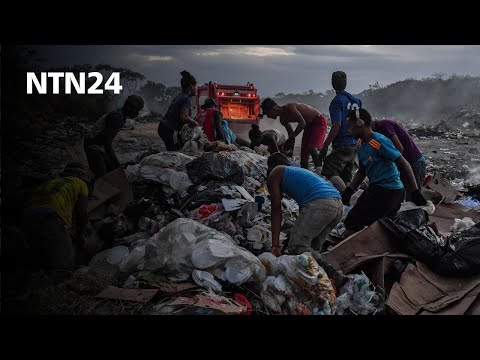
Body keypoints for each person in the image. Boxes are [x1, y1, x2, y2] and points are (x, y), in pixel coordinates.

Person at [342, 108, 427, 238]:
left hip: (387, 191)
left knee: (352, 222)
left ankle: (343, 254)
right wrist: (350, 189)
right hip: (381, 190)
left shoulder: (377, 141)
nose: (349, 130)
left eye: (351, 127)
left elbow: (404, 164)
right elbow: (362, 170)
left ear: (360, 123)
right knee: (381, 229)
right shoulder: (361, 144)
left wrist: (415, 191)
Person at [266, 152, 347, 286]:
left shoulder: (275, 172)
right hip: (337, 206)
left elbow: (276, 210)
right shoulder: (297, 171)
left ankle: (336, 276)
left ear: (270, 167)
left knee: (297, 247)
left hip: (321, 204)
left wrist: (275, 244)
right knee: (311, 250)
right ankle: (321, 283)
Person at [22, 163, 93, 273]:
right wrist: (80, 234)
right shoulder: (80, 184)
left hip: (27, 216)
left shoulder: (50, 183)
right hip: (50, 216)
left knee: (39, 258)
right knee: (63, 265)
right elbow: (82, 213)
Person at [320, 71, 361, 192]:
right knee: (346, 177)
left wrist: (325, 145)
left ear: (332, 83)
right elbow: (359, 122)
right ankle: (349, 204)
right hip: (354, 143)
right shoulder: (356, 101)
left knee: (329, 170)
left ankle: (347, 198)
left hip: (342, 143)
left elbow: (337, 124)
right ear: (346, 82)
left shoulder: (337, 101)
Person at [85, 95, 144, 179]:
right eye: (137, 110)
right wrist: (117, 164)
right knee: (102, 176)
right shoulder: (116, 118)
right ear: (129, 107)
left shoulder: (120, 116)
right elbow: (107, 144)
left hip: (98, 146)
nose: (137, 113)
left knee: (109, 170)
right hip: (92, 147)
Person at [260, 98, 327, 171]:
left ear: (274, 108)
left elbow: (302, 123)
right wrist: (290, 153)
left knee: (311, 147)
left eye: (268, 113)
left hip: (318, 121)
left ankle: (319, 171)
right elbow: (291, 135)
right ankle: (304, 174)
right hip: (308, 125)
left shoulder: (290, 107)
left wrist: (291, 138)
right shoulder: (283, 120)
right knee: (304, 153)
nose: (268, 117)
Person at [370, 118, 426, 196]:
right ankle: (431, 195)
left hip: (413, 163)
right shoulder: (376, 133)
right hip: (406, 164)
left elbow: (399, 148)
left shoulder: (384, 126)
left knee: (411, 197)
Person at [158, 70, 199, 151]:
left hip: (163, 127)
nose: (196, 88)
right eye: (195, 86)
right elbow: (184, 117)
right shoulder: (187, 98)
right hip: (168, 129)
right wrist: (195, 123)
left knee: (174, 149)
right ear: (191, 86)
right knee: (173, 152)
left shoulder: (180, 96)